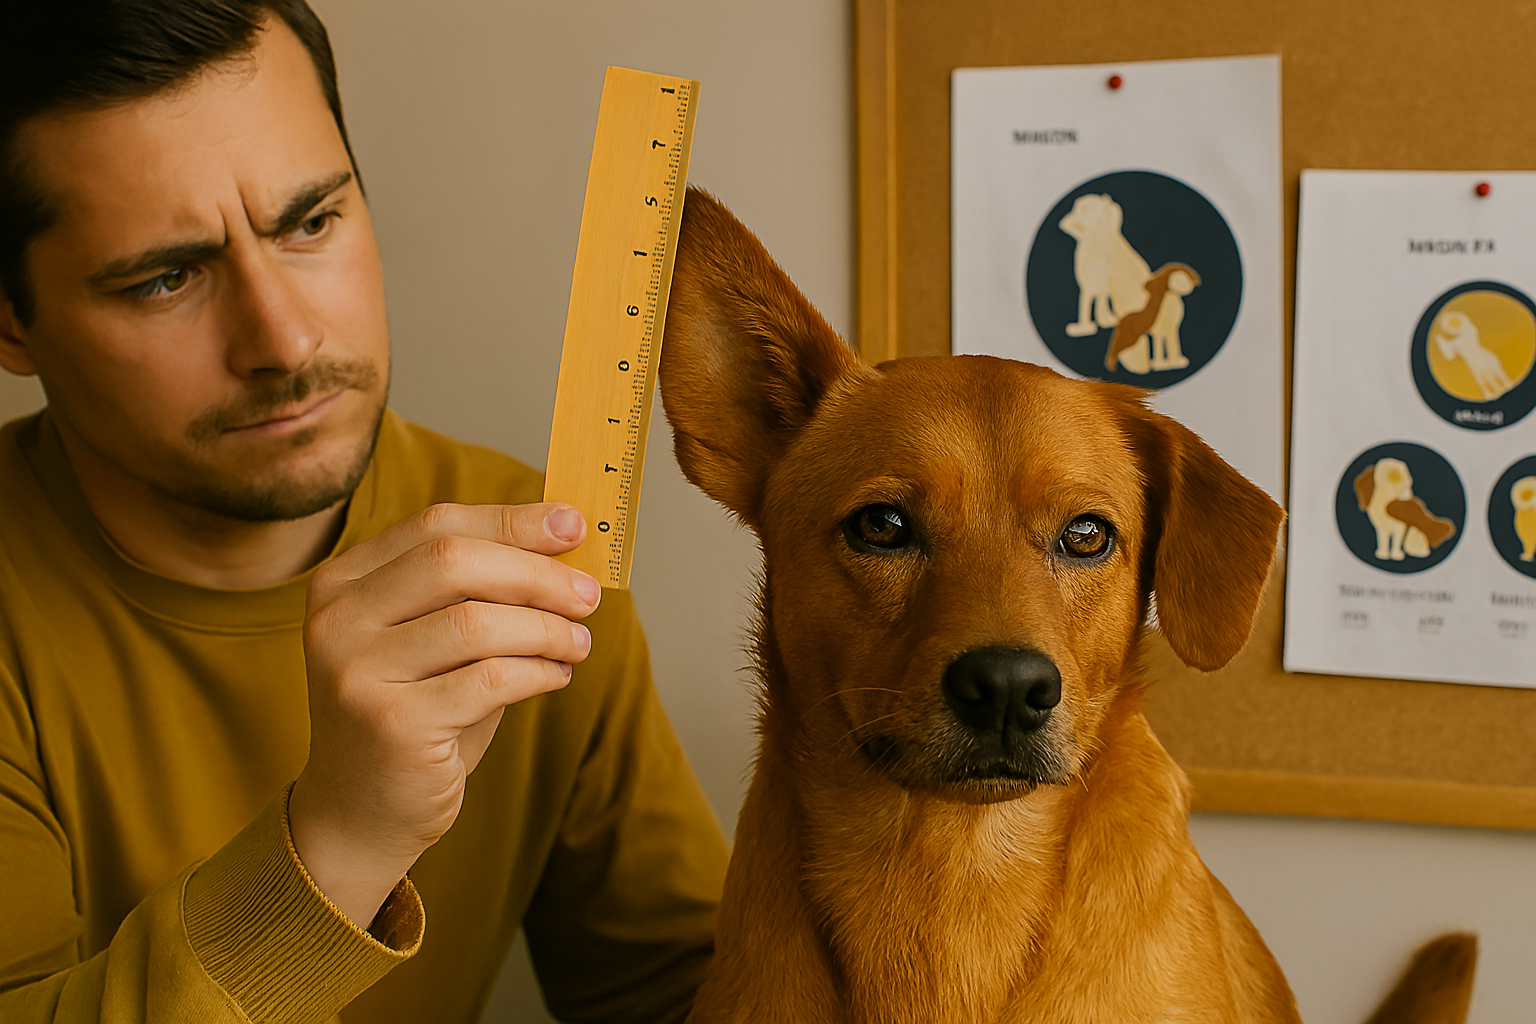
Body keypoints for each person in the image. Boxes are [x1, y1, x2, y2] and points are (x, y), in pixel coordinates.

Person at [0, 2, 728, 1021]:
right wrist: (337, 844)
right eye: (165, 279)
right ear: (12, 319)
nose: (285, 341)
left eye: (310, 222)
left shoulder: (533, 556)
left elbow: (677, 998)